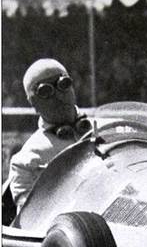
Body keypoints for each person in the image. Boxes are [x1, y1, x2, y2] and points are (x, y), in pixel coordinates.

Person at [8, 58, 91, 211]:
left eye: (63, 84)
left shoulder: (106, 129)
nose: (58, 96)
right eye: (46, 92)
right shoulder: (25, 162)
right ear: (34, 104)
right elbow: (32, 218)